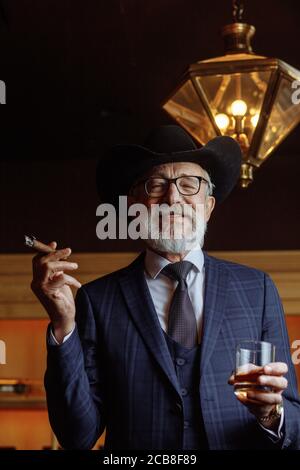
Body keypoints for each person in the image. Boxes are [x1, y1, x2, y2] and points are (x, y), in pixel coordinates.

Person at [31, 125, 300, 450]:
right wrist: (63, 326)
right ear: (134, 207)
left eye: (190, 184)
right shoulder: (97, 300)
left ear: (208, 206)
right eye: (156, 185)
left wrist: (272, 414)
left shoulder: (257, 289)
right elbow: (77, 436)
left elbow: (293, 421)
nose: (173, 197)